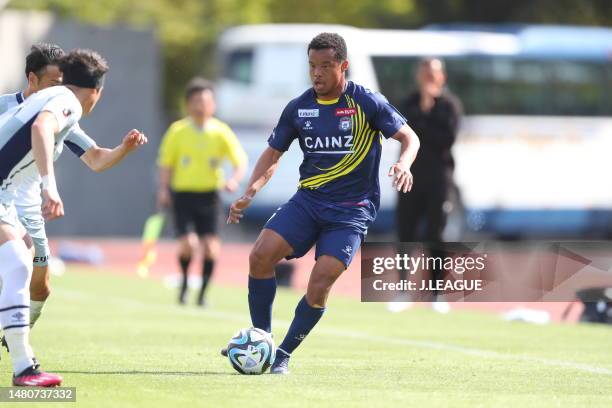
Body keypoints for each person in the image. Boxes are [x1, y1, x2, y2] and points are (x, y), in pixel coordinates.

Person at [224, 32, 420, 374]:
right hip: (309, 201)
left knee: (322, 279)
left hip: (351, 210)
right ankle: (263, 341)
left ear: (343, 66)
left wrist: (403, 163)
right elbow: (273, 153)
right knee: (259, 256)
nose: (317, 73)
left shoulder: (366, 102)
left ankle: (283, 354)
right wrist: (250, 190)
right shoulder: (299, 107)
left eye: (325, 66)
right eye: (312, 66)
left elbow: (409, 136)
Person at [0, 48, 147, 386]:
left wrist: (123, 148)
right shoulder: (67, 100)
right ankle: (24, 369)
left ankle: (25, 369)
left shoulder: (53, 98)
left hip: (5, 197)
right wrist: (51, 188)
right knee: (19, 266)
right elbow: (40, 128)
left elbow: (94, 158)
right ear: (97, 91)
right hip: (6, 197)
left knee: (20, 266)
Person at [157, 78, 247, 306]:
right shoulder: (177, 131)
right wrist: (164, 189)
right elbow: (166, 163)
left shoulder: (220, 131)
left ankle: (203, 293)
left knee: (211, 248)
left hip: (210, 196)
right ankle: (185, 284)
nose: (201, 105)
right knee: (189, 244)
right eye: (196, 101)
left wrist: (234, 180)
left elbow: (240, 161)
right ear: (188, 105)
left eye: (205, 101)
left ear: (213, 105)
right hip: (183, 195)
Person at [390, 57, 462, 314]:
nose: (429, 78)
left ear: (442, 77)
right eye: (425, 73)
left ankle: (436, 294)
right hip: (410, 178)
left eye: (434, 74)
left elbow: (446, 139)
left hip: (439, 180)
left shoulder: (450, 105)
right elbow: (401, 134)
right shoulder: (407, 103)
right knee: (405, 234)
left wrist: (426, 113)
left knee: (437, 235)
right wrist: (421, 111)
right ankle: (402, 290)